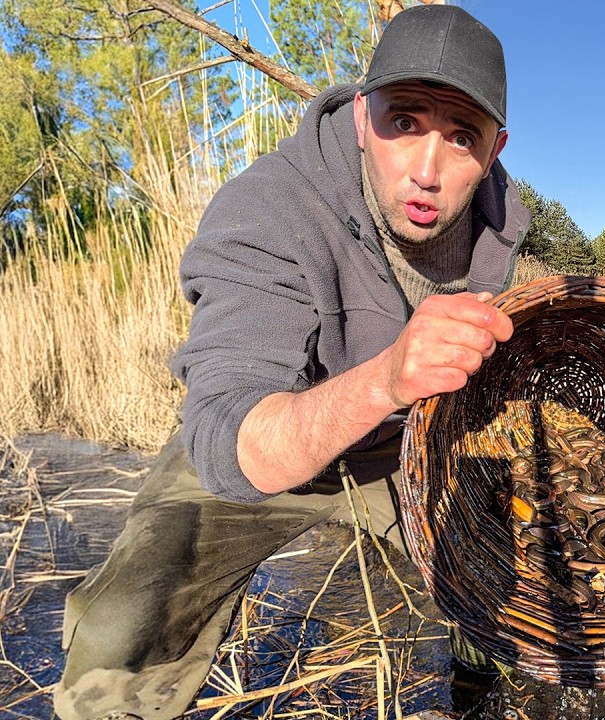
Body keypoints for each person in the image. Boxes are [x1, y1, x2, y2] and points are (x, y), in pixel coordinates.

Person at [52, 5, 529, 719]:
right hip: (265, 434)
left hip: (398, 446)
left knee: (504, 562)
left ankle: (474, 690)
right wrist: (386, 378)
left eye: (461, 137)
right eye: (405, 122)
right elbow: (228, 436)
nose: (428, 171)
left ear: (494, 150)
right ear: (365, 116)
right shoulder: (269, 207)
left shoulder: (498, 229)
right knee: (126, 621)